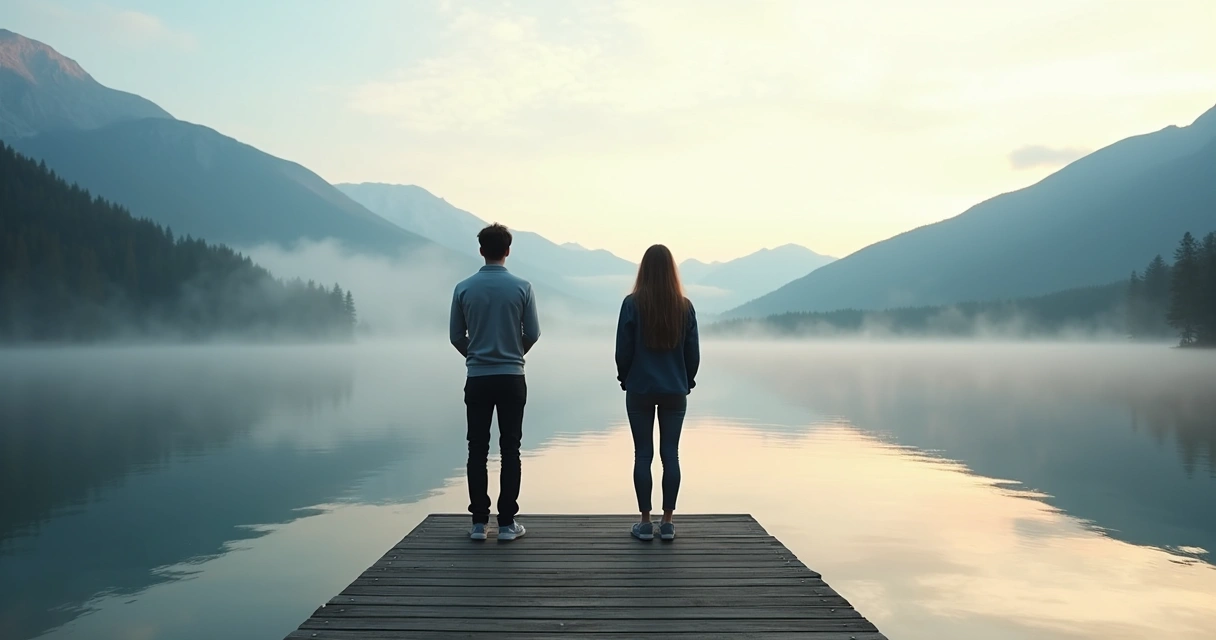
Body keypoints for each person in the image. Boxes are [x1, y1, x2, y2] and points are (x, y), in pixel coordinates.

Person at [450, 223, 540, 541]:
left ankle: (478, 522)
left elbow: (455, 336)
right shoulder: (522, 287)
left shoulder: (463, 288)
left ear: (481, 251)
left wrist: (475, 354)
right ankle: (505, 524)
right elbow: (533, 333)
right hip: (512, 377)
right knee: (510, 449)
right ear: (508, 251)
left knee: (477, 448)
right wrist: (514, 351)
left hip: (477, 377)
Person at [615, 244, 699, 541]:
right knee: (670, 455)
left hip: (639, 388)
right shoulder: (684, 306)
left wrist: (625, 377)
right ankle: (667, 522)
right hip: (675, 389)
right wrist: (686, 381)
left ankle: (645, 522)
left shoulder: (631, 304)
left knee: (643, 454)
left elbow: (623, 350)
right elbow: (693, 354)